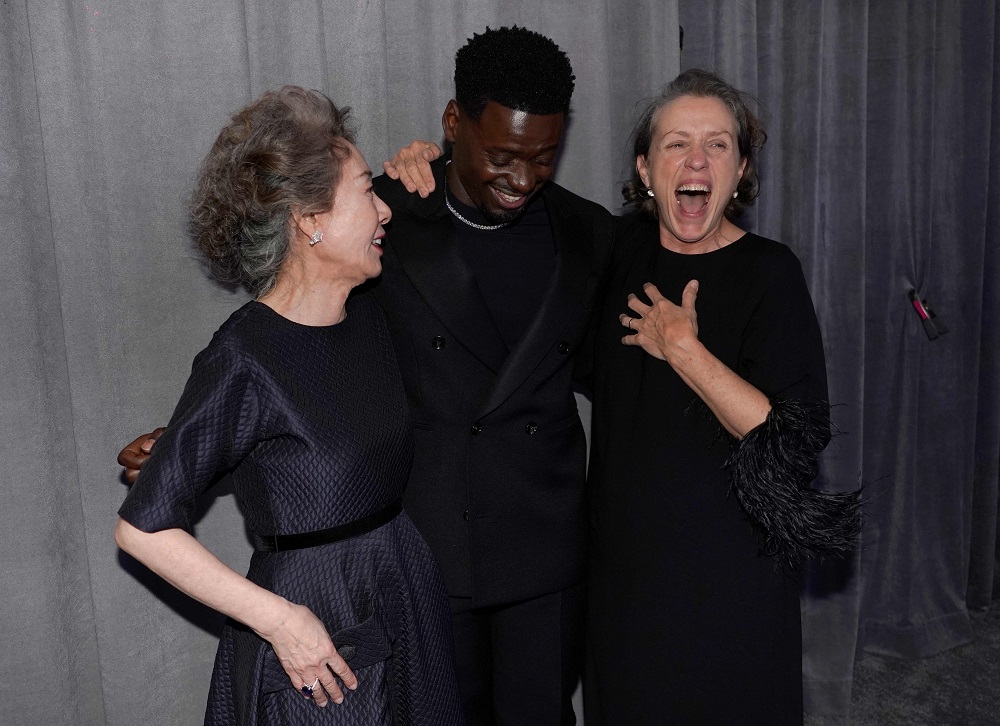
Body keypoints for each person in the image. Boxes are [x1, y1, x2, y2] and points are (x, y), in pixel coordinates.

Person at [119, 27, 613, 726]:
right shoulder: (285, 313)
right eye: (503, 156)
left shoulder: (581, 237)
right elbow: (294, 363)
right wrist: (201, 444)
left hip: (476, 569)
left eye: (543, 158)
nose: (524, 179)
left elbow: (325, 405)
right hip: (374, 582)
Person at [114, 86, 463, 725]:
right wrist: (279, 621)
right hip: (317, 630)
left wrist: (429, 170)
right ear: (309, 220)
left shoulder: (370, 317)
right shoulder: (244, 354)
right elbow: (142, 530)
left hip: (403, 591)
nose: (385, 210)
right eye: (367, 191)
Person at [583, 69, 861, 724]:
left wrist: (685, 350)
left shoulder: (770, 271)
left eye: (718, 145)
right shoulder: (612, 250)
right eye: (676, 143)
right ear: (645, 169)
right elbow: (509, 206)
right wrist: (428, 165)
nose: (697, 160)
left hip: (733, 575)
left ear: (740, 173)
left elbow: (791, 440)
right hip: (624, 572)